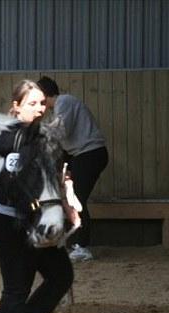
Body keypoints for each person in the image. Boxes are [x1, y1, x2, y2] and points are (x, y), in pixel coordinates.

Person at [0, 80, 74, 313]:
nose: (39, 109)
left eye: (41, 104)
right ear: (16, 107)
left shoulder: (45, 136)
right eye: (31, 104)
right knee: (16, 288)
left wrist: (68, 200)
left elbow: (58, 173)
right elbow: (13, 184)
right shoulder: (10, 139)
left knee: (61, 275)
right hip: (11, 221)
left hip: (37, 219)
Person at [36, 76, 108, 262]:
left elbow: (60, 132)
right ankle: (77, 243)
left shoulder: (64, 102)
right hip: (81, 155)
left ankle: (83, 246)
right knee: (71, 198)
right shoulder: (60, 107)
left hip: (89, 154)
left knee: (77, 199)